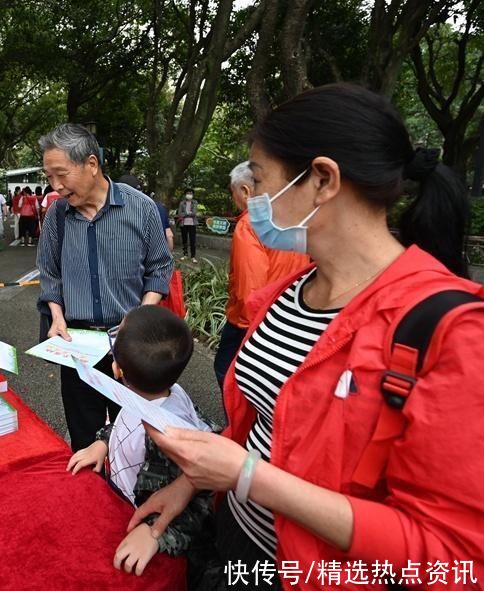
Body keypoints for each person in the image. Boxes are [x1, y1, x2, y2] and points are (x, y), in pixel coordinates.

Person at [131, 83, 484, 591]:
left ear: (322, 179)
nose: (251, 199)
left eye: (260, 178)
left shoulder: (450, 329)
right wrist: (192, 483)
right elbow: (264, 428)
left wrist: (248, 476)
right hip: (238, 545)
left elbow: (449, 555)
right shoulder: (285, 295)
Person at [37, 123, 174, 451]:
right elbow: (49, 272)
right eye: (49, 177)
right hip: (77, 343)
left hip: (128, 341)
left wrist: (139, 317)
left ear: (91, 164)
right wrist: (56, 315)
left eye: (61, 174)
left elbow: (160, 267)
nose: (55, 186)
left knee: (136, 437)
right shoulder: (58, 215)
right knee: (85, 441)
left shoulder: (141, 208)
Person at [67, 305, 216, 579]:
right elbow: (124, 421)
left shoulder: (164, 440)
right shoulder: (162, 392)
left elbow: (192, 503)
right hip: (119, 494)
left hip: (136, 517)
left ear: (116, 368)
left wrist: (155, 532)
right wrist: (102, 442)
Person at [212, 161, 310, 387]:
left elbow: (250, 291)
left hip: (251, 323)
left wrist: (252, 334)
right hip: (288, 317)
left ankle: (237, 423)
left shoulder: (249, 224)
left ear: (245, 191)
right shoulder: (294, 219)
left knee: (225, 371)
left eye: (233, 192)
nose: (233, 199)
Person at [118, 174, 174, 252]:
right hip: (157, 255)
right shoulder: (158, 207)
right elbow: (169, 236)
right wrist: (167, 256)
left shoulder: (117, 209)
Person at [176, 189, 198, 263]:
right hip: (183, 223)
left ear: (193, 195)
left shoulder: (195, 202)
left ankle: (193, 256)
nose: (189, 194)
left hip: (192, 224)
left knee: (193, 240)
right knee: (184, 240)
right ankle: (185, 254)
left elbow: (194, 213)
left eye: (191, 193)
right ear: (185, 194)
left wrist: (185, 213)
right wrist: (188, 213)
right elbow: (179, 213)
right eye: (188, 193)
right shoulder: (182, 203)